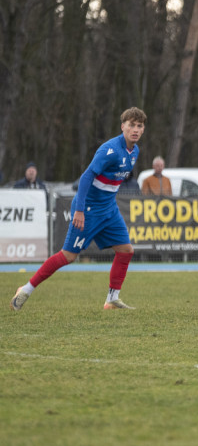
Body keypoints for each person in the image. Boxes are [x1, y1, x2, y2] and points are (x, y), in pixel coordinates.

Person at [11, 107, 148, 312]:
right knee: (68, 256)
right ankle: (26, 289)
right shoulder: (109, 150)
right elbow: (86, 177)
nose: (135, 129)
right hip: (89, 209)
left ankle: (112, 299)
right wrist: (80, 210)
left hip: (109, 209)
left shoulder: (134, 152)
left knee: (126, 250)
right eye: (131, 125)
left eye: (139, 126)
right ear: (123, 126)